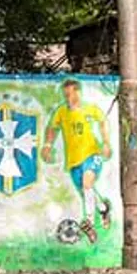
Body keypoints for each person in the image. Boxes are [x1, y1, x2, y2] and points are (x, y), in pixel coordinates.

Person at [42, 78, 112, 244]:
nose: (68, 98)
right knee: (86, 191)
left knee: (87, 183)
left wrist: (106, 143)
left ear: (78, 92)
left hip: (91, 154)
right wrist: (47, 145)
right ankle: (103, 209)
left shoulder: (90, 109)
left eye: (71, 94)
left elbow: (103, 122)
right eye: (66, 95)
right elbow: (52, 128)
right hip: (73, 161)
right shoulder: (61, 112)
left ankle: (89, 222)